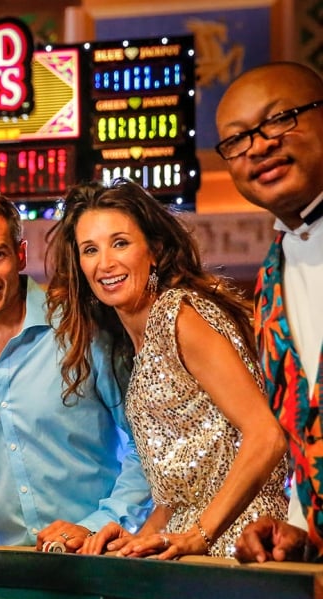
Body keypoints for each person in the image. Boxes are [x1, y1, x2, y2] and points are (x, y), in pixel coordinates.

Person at [46, 179, 289, 558]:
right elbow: (179, 496)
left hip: (240, 546)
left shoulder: (179, 316)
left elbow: (266, 436)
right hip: (189, 554)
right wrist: (136, 540)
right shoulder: (136, 341)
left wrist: (199, 536)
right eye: (90, 249)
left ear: (154, 250)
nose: (105, 263)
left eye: (120, 243)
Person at [0, 190, 151, 550]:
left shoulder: (81, 329)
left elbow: (146, 446)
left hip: (101, 558)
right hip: (11, 575)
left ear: (20, 255)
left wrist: (95, 526)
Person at [214, 62, 323, 564]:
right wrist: (299, 528)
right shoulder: (269, 279)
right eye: (236, 141)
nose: (258, 146)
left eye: (280, 119)